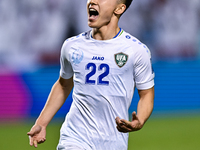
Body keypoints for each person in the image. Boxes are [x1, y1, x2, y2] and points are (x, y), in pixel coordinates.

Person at [27, 0, 155, 149]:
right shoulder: (72, 46)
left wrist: (139, 120)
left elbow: (146, 94)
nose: (92, 1)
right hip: (75, 137)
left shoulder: (136, 51)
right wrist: (41, 123)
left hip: (114, 142)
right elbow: (63, 85)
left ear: (119, 8)